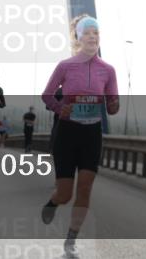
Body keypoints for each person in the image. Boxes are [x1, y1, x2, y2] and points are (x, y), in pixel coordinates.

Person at [40, 15, 119, 259]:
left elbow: (113, 105)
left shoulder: (108, 70)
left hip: (91, 134)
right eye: (88, 33)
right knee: (65, 194)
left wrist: (113, 104)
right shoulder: (65, 66)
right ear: (79, 37)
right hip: (67, 133)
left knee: (84, 189)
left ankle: (71, 240)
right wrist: (59, 108)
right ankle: (53, 202)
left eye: (96, 33)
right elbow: (47, 95)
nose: (92, 37)